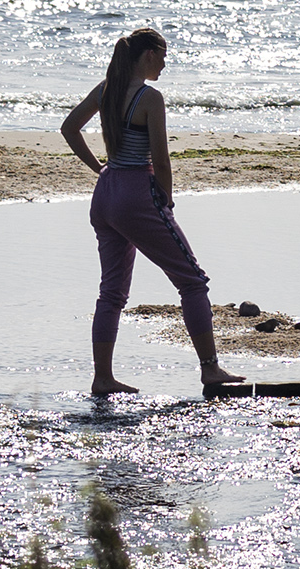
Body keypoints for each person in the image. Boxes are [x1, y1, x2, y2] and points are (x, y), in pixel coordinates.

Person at [61, 27, 242, 397]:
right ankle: (210, 370)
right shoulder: (149, 98)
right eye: (162, 55)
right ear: (146, 56)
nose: (165, 63)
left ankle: (103, 378)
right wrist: (166, 200)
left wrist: (100, 169)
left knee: (111, 293)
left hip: (106, 193)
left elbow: (69, 128)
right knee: (192, 281)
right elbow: (160, 159)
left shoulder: (105, 89)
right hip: (136, 195)